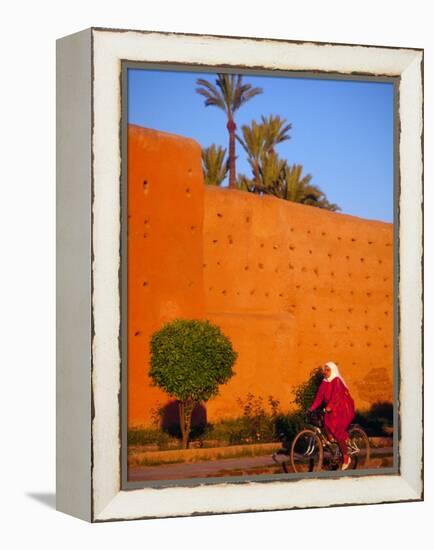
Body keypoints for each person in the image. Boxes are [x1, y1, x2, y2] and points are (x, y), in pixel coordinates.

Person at [308, 361, 355, 470]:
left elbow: (337, 396)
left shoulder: (337, 380)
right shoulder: (324, 382)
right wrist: (312, 408)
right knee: (326, 426)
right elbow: (319, 397)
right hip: (332, 409)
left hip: (343, 409)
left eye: (328, 370)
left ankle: (346, 457)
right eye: (324, 369)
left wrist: (329, 407)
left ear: (333, 370)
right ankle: (338, 444)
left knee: (338, 431)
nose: (325, 372)